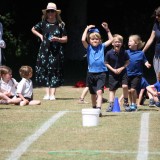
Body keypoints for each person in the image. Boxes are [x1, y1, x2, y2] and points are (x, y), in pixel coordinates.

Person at [31, 2, 67, 100]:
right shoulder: (43, 23)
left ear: (56, 13)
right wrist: (40, 36)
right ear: (46, 13)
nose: (50, 13)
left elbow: (65, 39)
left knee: (55, 71)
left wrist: (57, 39)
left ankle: (52, 94)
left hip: (56, 51)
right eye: (49, 11)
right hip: (44, 51)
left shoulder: (61, 24)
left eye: (52, 11)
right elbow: (33, 29)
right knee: (45, 71)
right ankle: (47, 94)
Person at [81, 22, 113, 116]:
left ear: (100, 40)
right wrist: (87, 29)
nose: (95, 40)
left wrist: (107, 30)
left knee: (99, 91)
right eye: (92, 39)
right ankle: (94, 107)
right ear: (89, 40)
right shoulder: (89, 48)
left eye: (97, 39)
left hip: (101, 73)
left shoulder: (102, 47)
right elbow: (83, 39)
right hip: (91, 73)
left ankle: (98, 110)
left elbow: (111, 39)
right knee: (92, 93)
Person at [105, 34, 130, 112]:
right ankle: (111, 104)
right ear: (112, 43)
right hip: (112, 74)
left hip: (123, 73)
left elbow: (127, 61)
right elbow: (106, 63)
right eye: (115, 42)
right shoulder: (109, 53)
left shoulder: (124, 52)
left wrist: (122, 68)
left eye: (119, 42)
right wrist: (113, 70)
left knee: (125, 86)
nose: (117, 43)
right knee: (112, 89)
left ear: (121, 44)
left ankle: (126, 103)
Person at [126, 34, 151, 111]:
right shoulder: (126, 52)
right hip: (127, 74)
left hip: (137, 75)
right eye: (128, 41)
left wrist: (147, 64)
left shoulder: (141, 53)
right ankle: (131, 104)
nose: (128, 42)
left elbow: (145, 61)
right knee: (129, 91)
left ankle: (134, 104)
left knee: (133, 90)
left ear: (136, 43)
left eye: (130, 41)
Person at [142, 6, 160, 78]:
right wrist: (142, 51)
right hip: (157, 56)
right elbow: (151, 39)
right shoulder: (156, 24)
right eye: (156, 15)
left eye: (158, 15)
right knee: (158, 78)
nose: (156, 17)